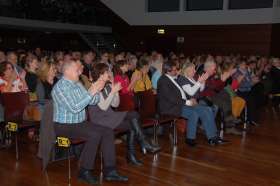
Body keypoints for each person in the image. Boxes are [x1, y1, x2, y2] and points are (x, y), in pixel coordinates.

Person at [51, 60, 128, 185]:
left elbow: (93, 101)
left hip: (79, 123)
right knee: (95, 133)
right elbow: (75, 108)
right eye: (77, 70)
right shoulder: (59, 88)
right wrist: (91, 91)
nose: (80, 72)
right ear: (67, 71)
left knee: (107, 130)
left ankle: (110, 171)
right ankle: (84, 170)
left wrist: (97, 89)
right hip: (64, 126)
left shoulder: (78, 84)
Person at [88, 63, 160, 166]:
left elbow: (115, 104)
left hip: (110, 116)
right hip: (100, 119)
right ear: (101, 74)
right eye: (107, 71)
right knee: (133, 116)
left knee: (133, 119)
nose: (110, 73)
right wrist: (113, 91)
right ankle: (142, 144)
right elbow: (103, 107)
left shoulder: (107, 86)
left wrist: (115, 90)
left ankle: (134, 152)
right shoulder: (94, 87)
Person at [157, 60, 227, 147]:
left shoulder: (173, 78)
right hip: (171, 107)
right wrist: (187, 102)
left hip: (179, 104)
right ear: (167, 71)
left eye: (176, 69)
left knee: (206, 109)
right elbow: (171, 98)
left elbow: (181, 93)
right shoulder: (163, 80)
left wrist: (189, 99)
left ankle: (204, 137)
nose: (176, 71)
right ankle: (209, 137)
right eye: (174, 70)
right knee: (198, 111)